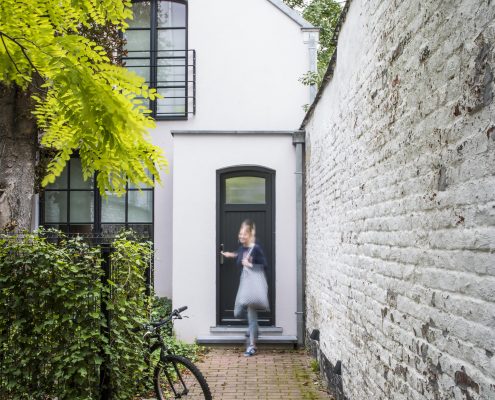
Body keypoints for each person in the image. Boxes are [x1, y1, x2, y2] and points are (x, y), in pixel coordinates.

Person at [221, 219, 268, 357]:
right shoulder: (242, 248)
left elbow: (264, 265)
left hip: (252, 287)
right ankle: (254, 329)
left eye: (244, 234)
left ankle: (252, 346)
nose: (241, 236)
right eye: (240, 234)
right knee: (237, 312)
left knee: (252, 317)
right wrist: (230, 254)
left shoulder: (256, 249)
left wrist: (249, 265)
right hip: (244, 285)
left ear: (249, 234)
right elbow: (239, 254)